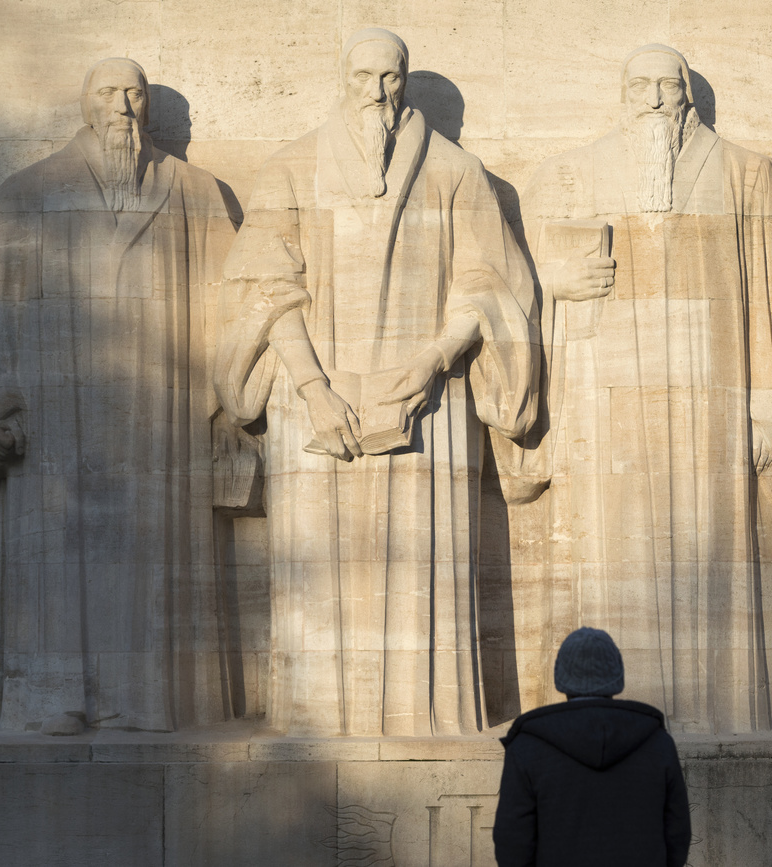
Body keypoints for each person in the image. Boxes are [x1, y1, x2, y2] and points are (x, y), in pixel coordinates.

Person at [214, 28, 538, 736]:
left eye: (391, 77)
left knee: (426, 573)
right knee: (318, 577)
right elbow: (267, 289)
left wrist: (435, 358)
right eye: (364, 76)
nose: (378, 91)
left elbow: (490, 284)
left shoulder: (455, 170)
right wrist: (312, 389)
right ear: (342, 80)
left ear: (407, 82)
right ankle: (312, 725)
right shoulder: (292, 167)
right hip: (312, 404)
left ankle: (432, 718)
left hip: (431, 399)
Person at [505, 44, 772, 733]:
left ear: (687, 98)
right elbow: (507, 282)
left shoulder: (746, 176)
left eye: (667, 87)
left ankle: (721, 711)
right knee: (608, 551)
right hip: (600, 402)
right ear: (622, 95)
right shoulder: (568, 177)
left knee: (715, 547)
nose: (653, 99)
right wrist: (554, 284)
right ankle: (599, 708)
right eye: (639, 86)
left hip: (716, 398)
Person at [0, 58, 237, 733]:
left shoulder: (195, 192)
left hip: (165, 424)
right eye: (108, 93)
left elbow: (237, 307)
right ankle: (55, 698)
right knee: (58, 556)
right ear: (85, 104)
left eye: (134, 93)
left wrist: (231, 417)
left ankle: (153, 698)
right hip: (57, 427)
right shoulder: (29, 194)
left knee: (157, 564)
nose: (123, 107)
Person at [493, 627, 691, 867]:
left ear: (561, 678)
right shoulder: (658, 743)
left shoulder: (527, 747)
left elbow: (512, 841)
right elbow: (677, 833)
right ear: (617, 676)